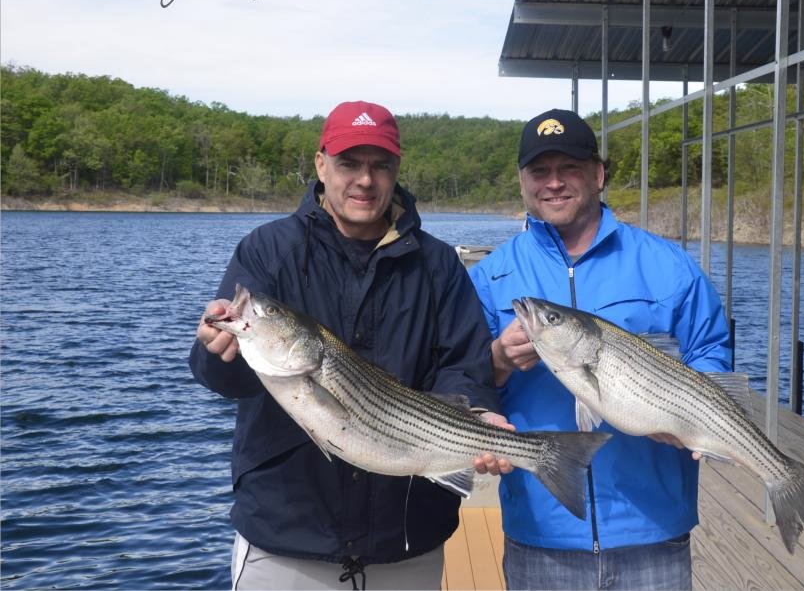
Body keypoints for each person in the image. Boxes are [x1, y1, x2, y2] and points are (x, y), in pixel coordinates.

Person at [190, 100, 513, 591]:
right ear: (321, 165)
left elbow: (464, 365)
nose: (365, 180)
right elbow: (226, 378)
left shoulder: (437, 264)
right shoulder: (268, 250)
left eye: (379, 165)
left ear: (396, 170)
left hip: (407, 536)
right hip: (287, 533)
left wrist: (478, 414)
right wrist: (216, 349)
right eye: (349, 164)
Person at [469, 109, 732, 590]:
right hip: (542, 528)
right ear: (523, 181)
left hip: (652, 526)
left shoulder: (667, 264)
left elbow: (710, 349)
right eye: (539, 171)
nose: (554, 183)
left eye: (568, 167)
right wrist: (499, 359)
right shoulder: (490, 276)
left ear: (598, 174)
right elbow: (464, 379)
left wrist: (689, 416)